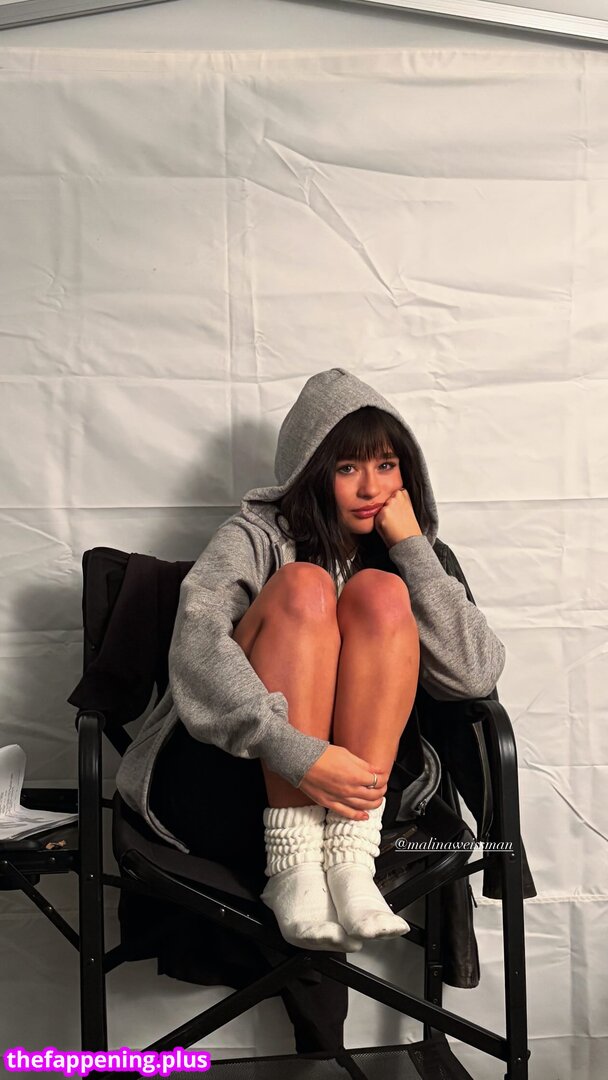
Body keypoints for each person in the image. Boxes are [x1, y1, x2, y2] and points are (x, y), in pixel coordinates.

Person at [115, 367, 506, 954]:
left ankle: (350, 860)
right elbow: (196, 648)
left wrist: (411, 550)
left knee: (381, 592)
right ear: (311, 472)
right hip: (234, 785)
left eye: (386, 465)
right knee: (305, 586)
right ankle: (294, 866)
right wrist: (296, 752)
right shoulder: (254, 536)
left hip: (364, 805)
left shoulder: (419, 556)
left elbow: (474, 675)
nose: (371, 488)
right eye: (347, 468)